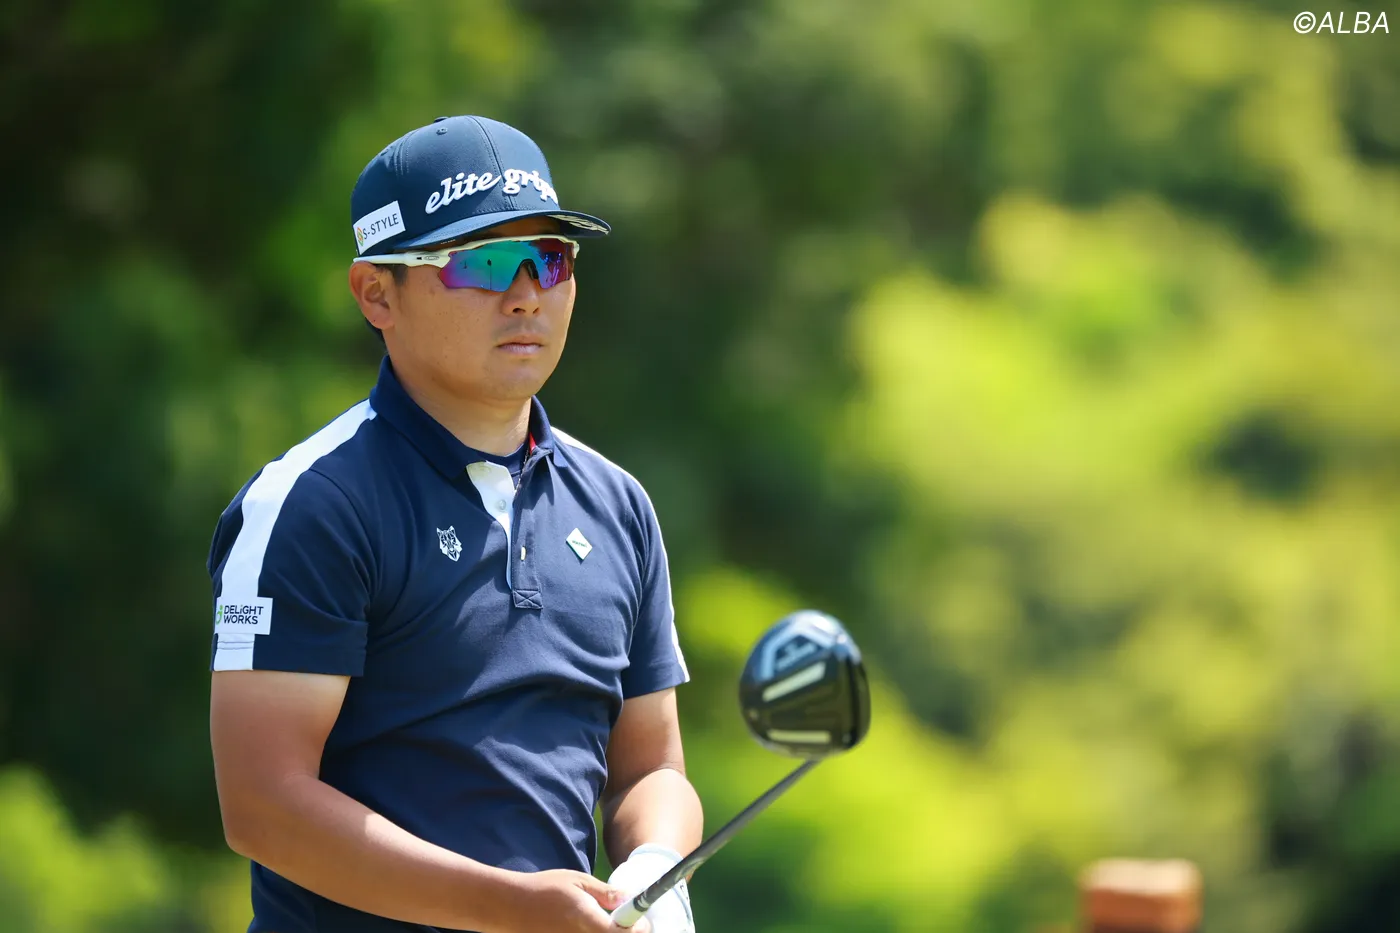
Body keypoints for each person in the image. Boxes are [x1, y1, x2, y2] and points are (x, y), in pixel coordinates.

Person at [207, 115, 702, 933]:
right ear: (377, 294)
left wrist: (656, 867)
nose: (527, 293)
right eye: (483, 262)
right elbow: (264, 806)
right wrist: (508, 907)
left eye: (550, 258)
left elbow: (650, 768)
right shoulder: (312, 503)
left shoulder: (618, 505)